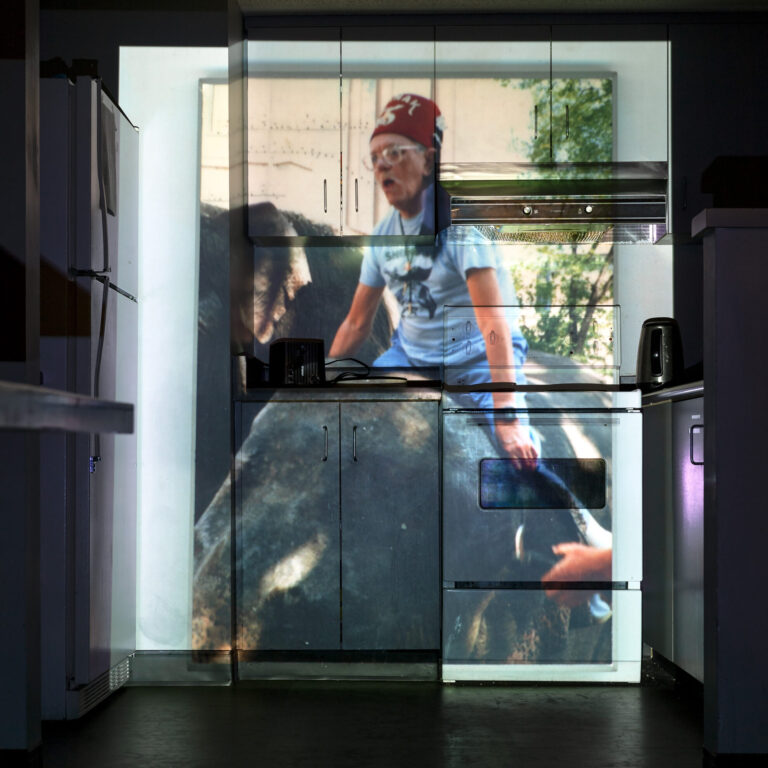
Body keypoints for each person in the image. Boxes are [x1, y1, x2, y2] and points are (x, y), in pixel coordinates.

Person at [329, 93, 537, 463]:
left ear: (428, 159)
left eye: (394, 153)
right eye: (375, 158)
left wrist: (506, 413)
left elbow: (492, 320)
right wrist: (323, 378)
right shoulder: (381, 238)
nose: (381, 166)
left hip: (477, 362)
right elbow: (357, 322)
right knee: (354, 414)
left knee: (517, 454)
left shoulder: (463, 227)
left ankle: (578, 518)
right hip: (411, 359)